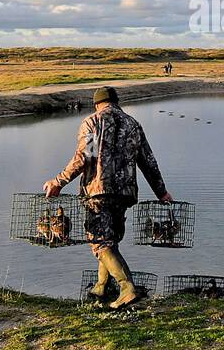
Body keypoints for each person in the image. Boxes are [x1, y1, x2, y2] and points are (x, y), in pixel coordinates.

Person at [44, 86, 172, 308]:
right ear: (117, 102)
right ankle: (101, 286)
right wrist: (162, 192)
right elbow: (148, 162)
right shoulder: (133, 125)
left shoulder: (93, 122)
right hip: (125, 194)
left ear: (97, 104)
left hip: (98, 192)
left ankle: (127, 288)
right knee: (109, 240)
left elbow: (85, 157)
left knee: (100, 242)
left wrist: (58, 181)